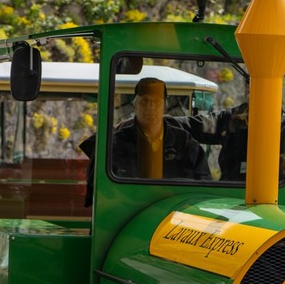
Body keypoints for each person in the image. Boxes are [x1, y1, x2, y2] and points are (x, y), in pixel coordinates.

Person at [80, 78, 211, 205]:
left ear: (164, 107)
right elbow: (101, 192)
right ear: (135, 106)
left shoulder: (184, 143)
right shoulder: (116, 144)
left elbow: (203, 188)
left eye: (157, 102)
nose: (151, 107)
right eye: (145, 101)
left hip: (174, 212)